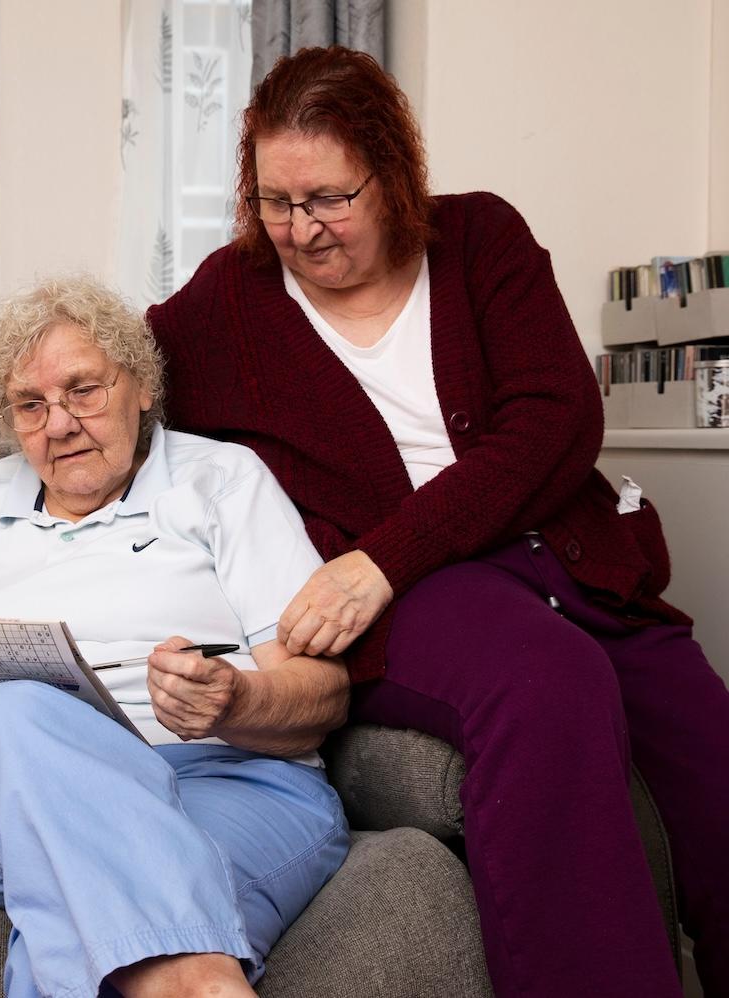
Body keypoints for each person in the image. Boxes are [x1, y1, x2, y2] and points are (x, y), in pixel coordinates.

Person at [146, 45, 729, 998]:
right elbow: (112, 374)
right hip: (418, 606)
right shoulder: (228, 300)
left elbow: (559, 418)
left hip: (556, 562)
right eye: (276, 202)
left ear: (395, 173)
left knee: (713, 752)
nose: (302, 230)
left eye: (331, 198)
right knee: (548, 683)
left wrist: (383, 555)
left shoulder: (481, 238)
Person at [0, 275, 350, 998]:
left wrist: (234, 700)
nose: (60, 424)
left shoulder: (223, 481)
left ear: (140, 385)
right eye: (30, 406)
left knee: (81, 926)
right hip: (4, 804)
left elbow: (322, 698)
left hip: (226, 779)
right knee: (5, 714)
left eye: (83, 391)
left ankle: (198, 981)